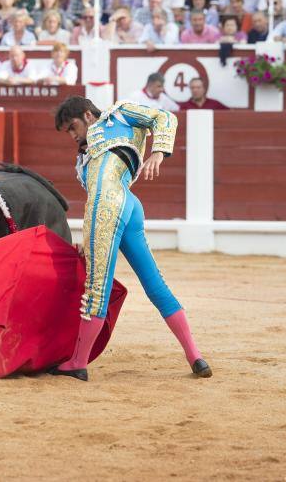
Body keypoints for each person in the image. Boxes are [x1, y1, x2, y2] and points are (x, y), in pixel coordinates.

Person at [50, 96, 211, 381]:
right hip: (129, 206)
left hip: (109, 205)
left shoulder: (119, 113)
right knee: (154, 283)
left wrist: (159, 152)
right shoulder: (84, 154)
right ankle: (195, 356)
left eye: (73, 126)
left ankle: (78, 362)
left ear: (88, 115)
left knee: (96, 287)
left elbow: (165, 117)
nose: (72, 135)